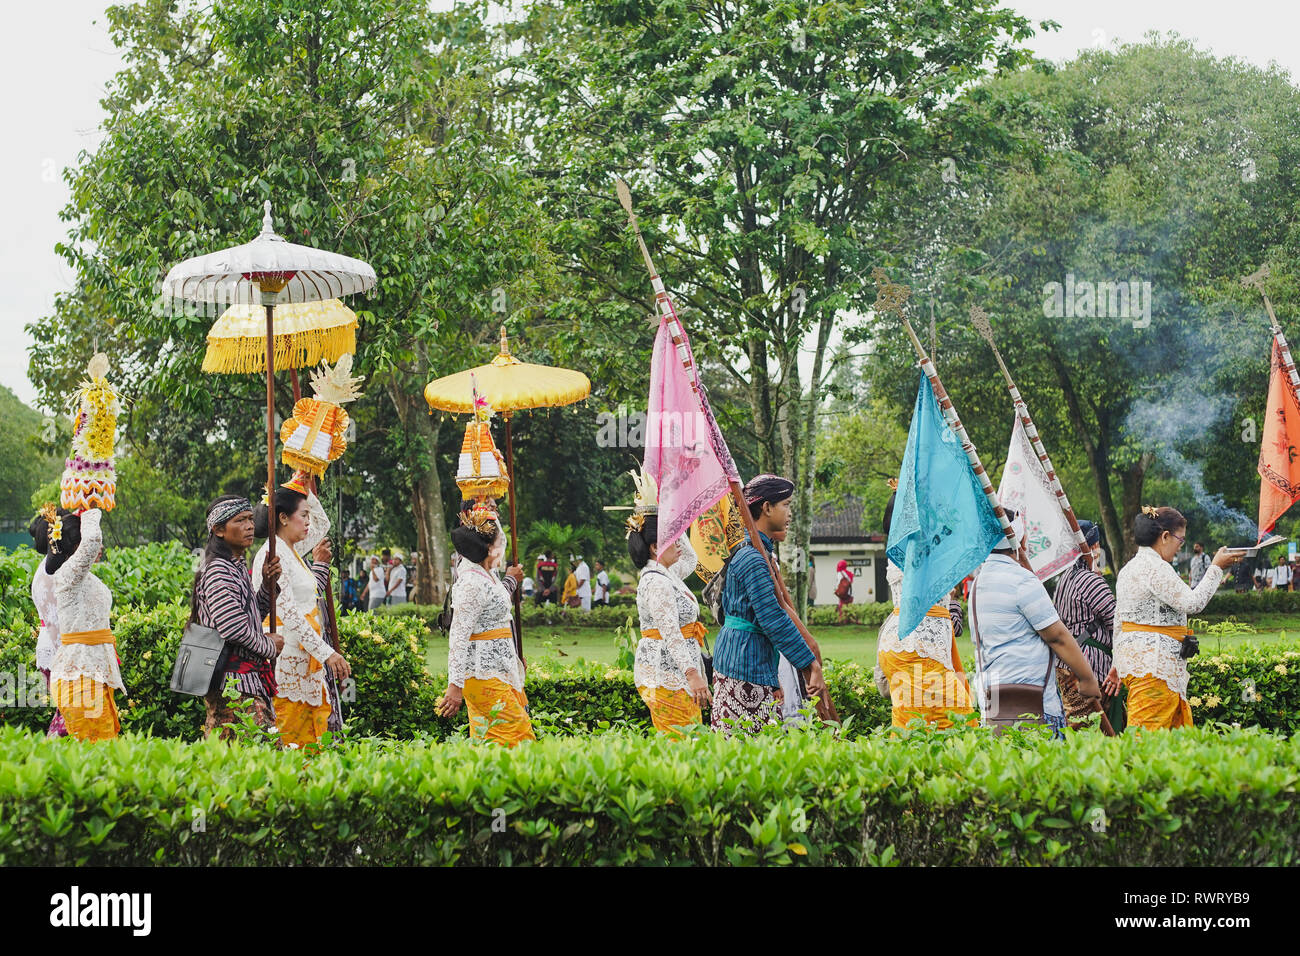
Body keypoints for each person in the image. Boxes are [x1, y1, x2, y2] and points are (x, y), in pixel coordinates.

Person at [969, 508, 1101, 737]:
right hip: (1031, 703)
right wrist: (1088, 679)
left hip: (995, 702)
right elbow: (1057, 637)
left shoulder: (979, 583)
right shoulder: (1021, 580)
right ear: (1019, 538)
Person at [711, 475, 826, 736]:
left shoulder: (757, 552)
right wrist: (810, 664)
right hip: (743, 662)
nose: (790, 513)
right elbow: (773, 618)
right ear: (766, 507)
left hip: (748, 658)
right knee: (750, 749)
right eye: (786, 504)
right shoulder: (752, 558)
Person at [1113, 506, 1235, 731]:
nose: (1180, 548)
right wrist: (1216, 568)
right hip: (1154, 666)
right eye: (1180, 540)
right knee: (1146, 743)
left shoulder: (1129, 569)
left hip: (1139, 664)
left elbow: (1118, 620)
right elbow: (1193, 603)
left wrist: (1116, 662)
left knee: (1161, 738)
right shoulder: (1156, 567)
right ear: (1165, 536)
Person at [252, 479, 352, 750]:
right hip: (286, 661)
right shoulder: (272, 555)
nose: (309, 522)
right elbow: (292, 615)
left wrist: (304, 480)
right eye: (303, 515)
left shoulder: (292, 550)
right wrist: (327, 653)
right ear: (283, 518)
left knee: (310, 738)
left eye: (308, 514)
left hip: (306, 659)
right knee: (290, 736)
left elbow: (322, 525)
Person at [874, 491, 972, 729]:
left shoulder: (904, 548)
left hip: (908, 644)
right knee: (958, 726)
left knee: (914, 726)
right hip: (917, 648)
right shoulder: (918, 549)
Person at [438, 503, 533, 746]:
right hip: (482, 674)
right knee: (518, 736)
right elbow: (458, 638)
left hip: (499, 671)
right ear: (488, 549)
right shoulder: (471, 582)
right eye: (498, 544)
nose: (502, 548)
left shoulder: (486, 574)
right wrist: (454, 687)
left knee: (490, 741)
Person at [191, 495, 284, 739]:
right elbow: (232, 628)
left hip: (244, 681)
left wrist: (266, 585)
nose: (250, 526)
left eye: (251, 519)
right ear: (219, 530)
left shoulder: (235, 565)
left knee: (234, 759)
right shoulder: (218, 569)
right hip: (233, 685)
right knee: (260, 754)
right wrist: (269, 646)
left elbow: (249, 617)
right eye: (240, 520)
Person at [40, 507, 123, 741]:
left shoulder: (84, 577)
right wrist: (90, 506)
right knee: (94, 749)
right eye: (87, 542)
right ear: (77, 547)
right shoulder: (67, 575)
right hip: (80, 672)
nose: (100, 546)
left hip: (93, 670)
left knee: (102, 747)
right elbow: (94, 539)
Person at [1051, 520, 1123, 732]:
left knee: (1078, 726)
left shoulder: (1063, 579)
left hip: (1066, 664)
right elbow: (1118, 624)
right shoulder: (1091, 580)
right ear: (1092, 547)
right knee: (1094, 730)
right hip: (1091, 666)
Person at [28, 505, 67, 737]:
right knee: (69, 715)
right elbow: (57, 623)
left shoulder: (45, 569)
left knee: (66, 712)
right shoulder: (55, 572)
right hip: (58, 649)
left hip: (49, 648)